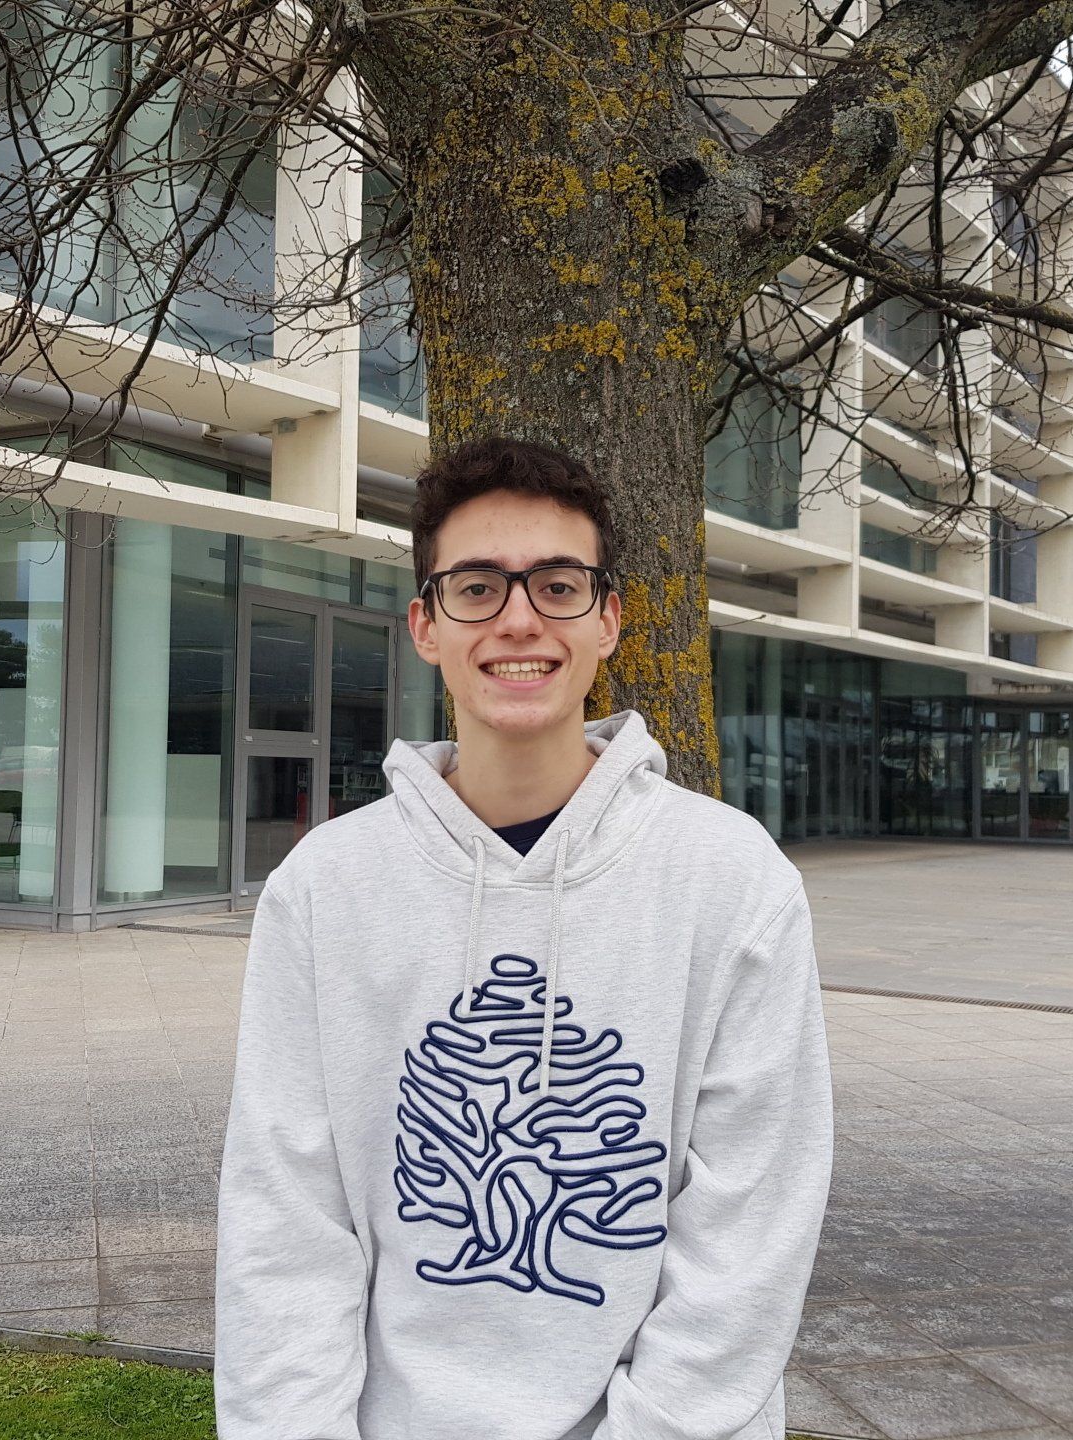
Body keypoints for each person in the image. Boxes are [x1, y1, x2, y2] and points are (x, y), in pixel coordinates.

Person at [214, 436, 834, 1438]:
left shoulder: (731, 879)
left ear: (608, 619)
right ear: (425, 623)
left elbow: (751, 1232)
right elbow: (285, 1227)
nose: (517, 620)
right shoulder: (326, 890)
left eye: (556, 585)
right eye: (475, 588)